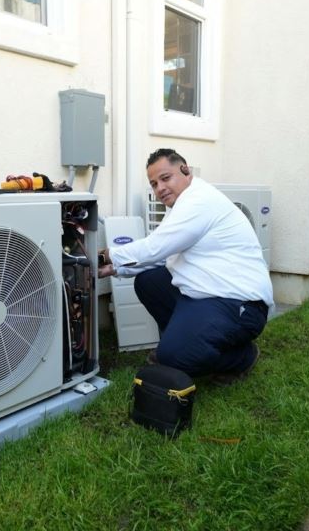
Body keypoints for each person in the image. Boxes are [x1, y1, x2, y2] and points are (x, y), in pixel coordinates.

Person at [98, 149, 274, 384]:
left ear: (185, 170)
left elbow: (155, 247)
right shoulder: (178, 209)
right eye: (153, 183)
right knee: (149, 281)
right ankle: (183, 341)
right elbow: (161, 257)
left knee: (173, 358)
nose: (159, 188)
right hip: (206, 295)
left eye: (165, 178)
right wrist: (115, 269)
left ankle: (241, 356)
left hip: (240, 303)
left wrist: (107, 255)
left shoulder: (199, 200)